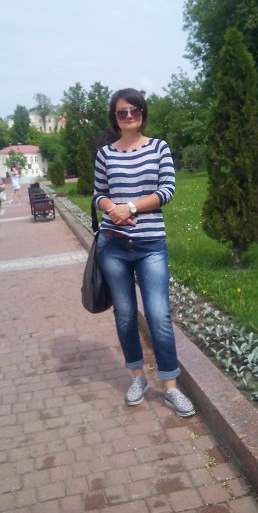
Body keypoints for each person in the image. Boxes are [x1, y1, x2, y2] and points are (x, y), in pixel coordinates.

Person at [93, 88, 195, 417]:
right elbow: (98, 195)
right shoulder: (105, 154)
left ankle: (170, 386)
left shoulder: (159, 148)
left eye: (134, 110)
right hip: (114, 245)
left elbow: (167, 190)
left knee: (158, 315)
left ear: (142, 113)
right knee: (125, 315)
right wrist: (113, 209)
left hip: (150, 245)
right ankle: (137, 376)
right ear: (115, 117)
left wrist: (131, 207)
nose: (128, 116)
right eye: (121, 112)